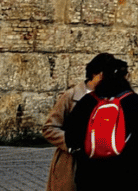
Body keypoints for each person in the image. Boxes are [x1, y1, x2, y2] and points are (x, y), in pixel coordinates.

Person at [65, 57, 138, 191]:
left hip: (89, 174)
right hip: (123, 175)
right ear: (125, 76)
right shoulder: (134, 102)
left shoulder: (88, 101)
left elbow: (71, 136)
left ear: (102, 75)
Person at [43, 54, 115, 191]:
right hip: (71, 162)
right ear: (96, 73)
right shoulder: (71, 96)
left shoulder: (110, 98)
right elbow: (49, 127)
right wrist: (71, 143)